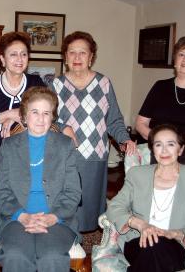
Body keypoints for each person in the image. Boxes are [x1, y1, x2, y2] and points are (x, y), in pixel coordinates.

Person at [50, 31, 136, 232]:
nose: (77, 58)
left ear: (91, 57)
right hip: (65, 155)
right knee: (66, 206)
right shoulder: (55, 85)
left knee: (89, 208)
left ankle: (82, 243)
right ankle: (66, 239)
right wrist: (64, 127)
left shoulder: (103, 83)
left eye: (83, 52)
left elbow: (114, 119)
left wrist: (125, 139)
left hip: (95, 155)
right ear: (65, 57)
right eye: (72, 52)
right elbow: (49, 119)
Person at [0, 87, 81, 272]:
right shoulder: (9, 146)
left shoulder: (65, 145)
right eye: (35, 112)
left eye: (46, 113)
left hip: (57, 219)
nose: (41, 119)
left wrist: (53, 217)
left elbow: (73, 192)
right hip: (16, 218)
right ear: (24, 116)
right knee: (16, 255)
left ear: (52, 117)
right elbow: (2, 192)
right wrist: (22, 216)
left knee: (52, 256)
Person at [106, 124, 185, 271]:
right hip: (139, 241)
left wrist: (175, 234)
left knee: (155, 249)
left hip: (176, 245)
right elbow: (115, 207)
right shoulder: (137, 175)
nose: (164, 150)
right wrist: (141, 225)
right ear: (153, 149)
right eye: (158, 144)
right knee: (152, 246)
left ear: (181, 149)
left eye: (171, 144)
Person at [0, 32, 44, 219]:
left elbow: (48, 116)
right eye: (13, 54)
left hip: (31, 157)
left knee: (29, 205)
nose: (19, 59)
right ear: (2, 58)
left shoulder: (36, 84)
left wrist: (20, 115)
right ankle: (1, 238)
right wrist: (7, 114)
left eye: (24, 54)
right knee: (1, 206)